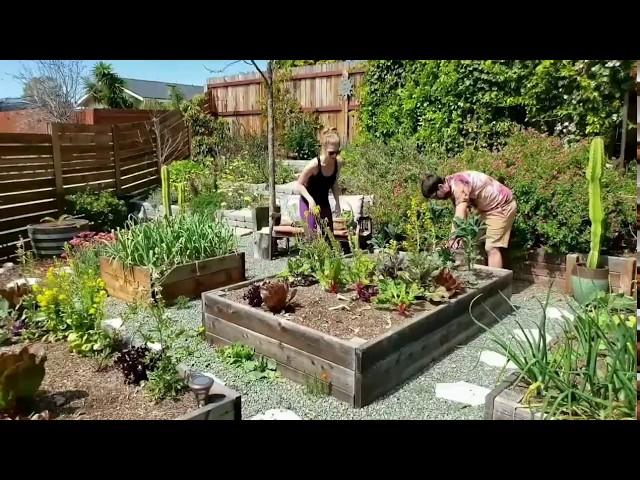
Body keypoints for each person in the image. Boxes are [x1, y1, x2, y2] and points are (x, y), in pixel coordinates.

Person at [421, 171, 517, 269]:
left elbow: (460, 213)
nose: (437, 200)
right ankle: (482, 277)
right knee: (474, 242)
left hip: (502, 206)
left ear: (441, 187)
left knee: (491, 247)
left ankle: (498, 282)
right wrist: (460, 235)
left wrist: (452, 237)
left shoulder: (458, 185)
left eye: (435, 196)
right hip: (486, 209)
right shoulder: (451, 184)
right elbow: (465, 211)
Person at [295, 128, 342, 234]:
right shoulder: (314, 165)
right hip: (308, 203)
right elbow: (299, 184)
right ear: (324, 149)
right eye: (331, 153)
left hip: (323, 202)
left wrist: (338, 203)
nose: (335, 156)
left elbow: (334, 183)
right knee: (311, 236)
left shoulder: (337, 163)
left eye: (337, 152)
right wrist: (310, 200)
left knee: (329, 237)